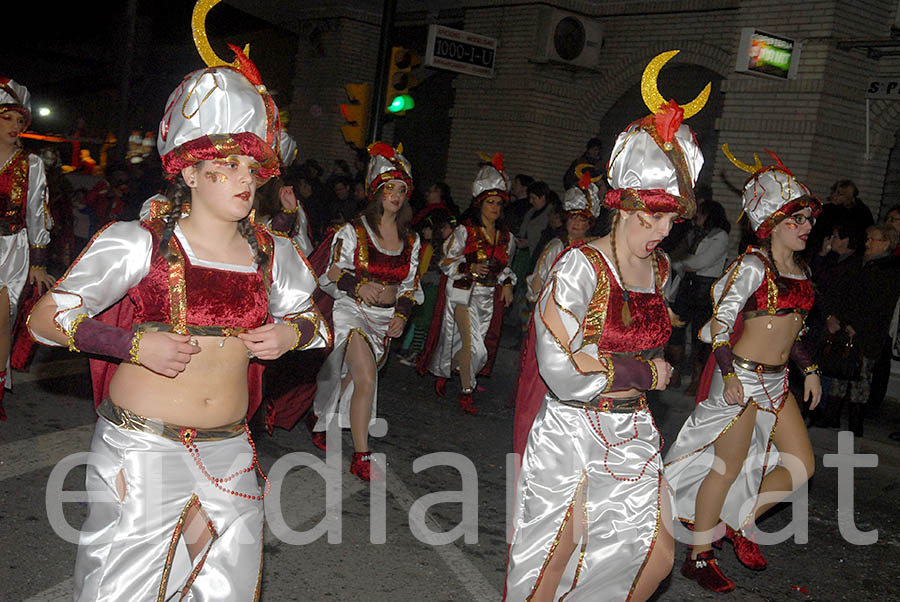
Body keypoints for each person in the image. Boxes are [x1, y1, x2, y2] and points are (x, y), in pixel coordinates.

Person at [27, 24, 330, 599]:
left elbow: (317, 322)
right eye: (227, 166)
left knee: (231, 588)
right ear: (189, 171)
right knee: (123, 589)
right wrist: (133, 344)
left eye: (251, 168)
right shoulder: (135, 242)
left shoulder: (275, 253)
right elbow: (46, 319)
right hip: (142, 449)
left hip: (233, 448)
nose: (244, 179)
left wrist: (292, 334)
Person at [505, 50, 705, 601]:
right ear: (621, 205)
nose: (664, 231)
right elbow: (563, 366)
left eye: (671, 219)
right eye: (654, 216)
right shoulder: (580, 265)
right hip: (573, 432)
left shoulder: (658, 267)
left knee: (657, 556)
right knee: (553, 558)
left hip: (633, 432)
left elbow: (627, 344)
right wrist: (643, 371)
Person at [664, 146, 823, 593]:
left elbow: (794, 333)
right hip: (742, 377)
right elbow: (718, 328)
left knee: (801, 465)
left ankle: (738, 520)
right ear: (771, 223)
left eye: (809, 220)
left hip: (779, 381)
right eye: (798, 220)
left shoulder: (801, 269)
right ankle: (698, 556)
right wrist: (730, 377)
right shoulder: (752, 267)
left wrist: (809, 369)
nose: (807, 228)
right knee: (726, 468)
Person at [311, 142, 423, 480]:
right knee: (367, 379)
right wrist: (357, 286)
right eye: (390, 188)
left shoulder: (412, 239)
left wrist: (402, 314)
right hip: (354, 312)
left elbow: (411, 287)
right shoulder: (354, 231)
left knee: (352, 380)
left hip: (385, 319)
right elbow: (331, 274)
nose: (396, 195)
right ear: (377, 190)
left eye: (402, 190)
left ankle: (320, 419)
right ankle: (362, 456)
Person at [418, 153, 516, 415]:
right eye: (490, 202)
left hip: (487, 298)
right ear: (480, 204)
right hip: (463, 294)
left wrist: (506, 283)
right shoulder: (465, 231)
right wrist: (468, 266)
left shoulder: (506, 237)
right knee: (474, 346)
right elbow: (445, 262)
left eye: (498, 203)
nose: (495, 207)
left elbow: (505, 267)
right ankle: (466, 392)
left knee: (473, 347)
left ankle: (448, 369)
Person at [0, 78, 54, 420]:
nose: (16, 126)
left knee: (1, 319)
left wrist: (39, 262)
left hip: (10, 250)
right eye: (8, 117)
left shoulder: (31, 164)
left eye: (21, 120)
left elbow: (37, 213)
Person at [828, 223, 900, 436]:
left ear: (886, 244)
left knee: (860, 377)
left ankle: (855, 422)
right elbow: (843, 293)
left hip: (868, 334)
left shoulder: (890, 270)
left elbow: (879, 306)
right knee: (839, 373)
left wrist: (856, 325)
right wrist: (836, 318)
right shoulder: (859, 263)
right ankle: (831, 416)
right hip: (845, 328)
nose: (868, 243)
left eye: (874, 240)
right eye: (868, 239)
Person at [670, 199, 731, 394]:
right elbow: (677, 255)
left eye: (700, 213)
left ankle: (697, 378)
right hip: (687, 286)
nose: (696, 217)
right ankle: (675, 372)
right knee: (676, 331)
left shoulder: (719, 236)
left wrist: (681, 264)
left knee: (699, 336)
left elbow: (700, 262)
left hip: (704, 290)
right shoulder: (693, 234)